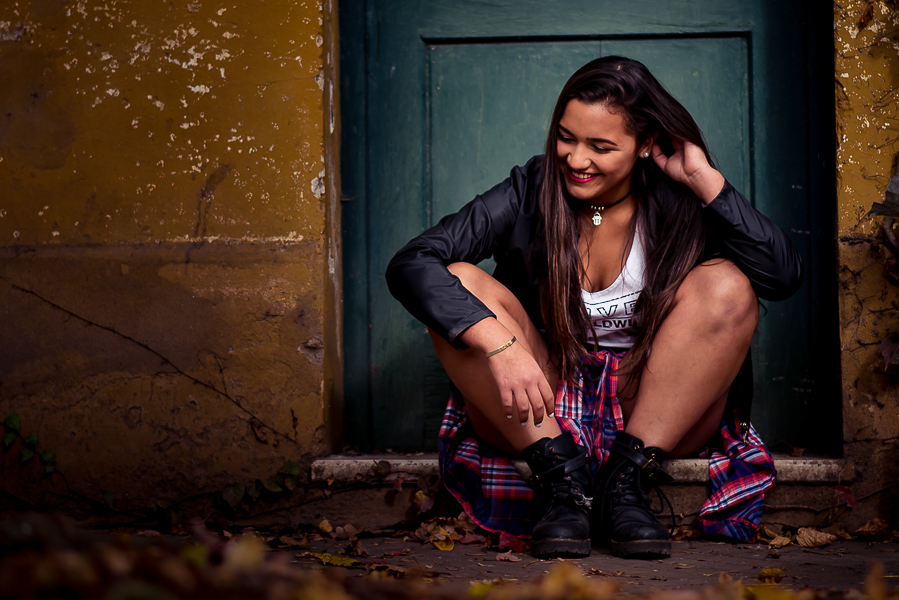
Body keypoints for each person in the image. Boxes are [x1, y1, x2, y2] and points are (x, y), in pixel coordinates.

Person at [386, 56, 802, 560]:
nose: (576, 159)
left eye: (601, 146)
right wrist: (500, 344)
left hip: (650, 408)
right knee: (456, 282)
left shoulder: (680, 198)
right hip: (546, 404)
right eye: (566, 137)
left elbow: (781, 277)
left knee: (729, 285)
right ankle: (564, 482)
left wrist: (704, 180)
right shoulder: (531, 189)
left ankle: (621, 484)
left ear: (646, 144)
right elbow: (413, 263)